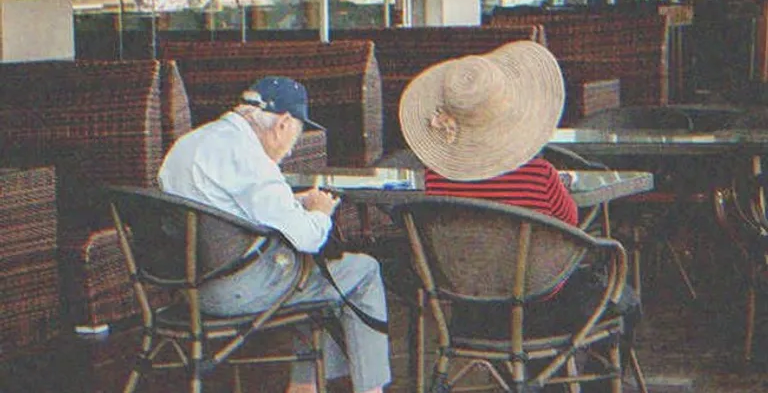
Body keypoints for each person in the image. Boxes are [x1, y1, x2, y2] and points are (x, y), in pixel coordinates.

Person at [398, 40, 641, 380]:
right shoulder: (539, 175)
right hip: (542, 309)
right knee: (623, 297)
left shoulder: (436, 181)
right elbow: (570, 230)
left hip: (468, 311)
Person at [158, 76, 391, 393]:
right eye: (295, 135)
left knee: (304, 273)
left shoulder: (190, 143)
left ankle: (305, 385)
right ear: (283, 124)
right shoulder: (252, 159)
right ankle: (368, 389)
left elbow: (225, 207)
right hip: (230, 290)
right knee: (358, 270)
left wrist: (292, 202)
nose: (292, 145)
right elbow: (308, 238)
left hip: (185, 286)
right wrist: (320, 211)